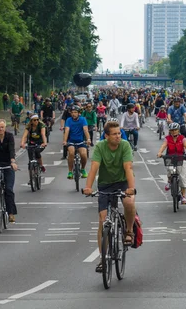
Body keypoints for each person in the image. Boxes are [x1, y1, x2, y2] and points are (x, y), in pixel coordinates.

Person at [83, 121, 136, 273]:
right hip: (105, 183)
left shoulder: (125, 145)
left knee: (129, 202)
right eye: (114, 134)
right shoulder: (100, 147)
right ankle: (102, 259)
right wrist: (88, 187)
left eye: (119, 133)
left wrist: (131, 188)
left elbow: (128, 167)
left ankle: (129, 231)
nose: (118, 136)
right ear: (106, 136)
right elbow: (94, 167)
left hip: (122, 181)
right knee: (102, 219)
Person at [157, 122, 186, 204]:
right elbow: (163, 145)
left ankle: (183, 197)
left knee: (182, 177)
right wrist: (159, 152)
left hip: (181, 158)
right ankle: (170, 181)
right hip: (170, 157)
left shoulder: (182, 138)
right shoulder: (167, 138)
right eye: (172, 130)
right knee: (170, 170)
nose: (174, 132)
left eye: (175, 130)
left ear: (178, 130)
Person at [63, 105, 91, 179]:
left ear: (79, 113)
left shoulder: (83, 120)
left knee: (84, 154)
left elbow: (85, 130)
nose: (73, 114)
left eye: (75, 112)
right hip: (71, 141)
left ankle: (83, 169)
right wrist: (65, 141)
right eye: (72, 112)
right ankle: (70, 172)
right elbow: (67, 130)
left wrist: (88, 139)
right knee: (71, 153)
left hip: (81, 141)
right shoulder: (68, 120)